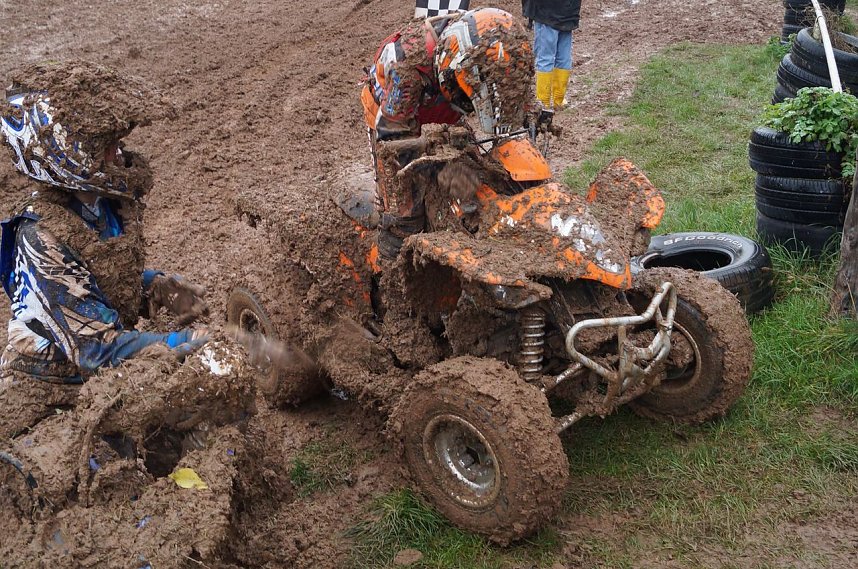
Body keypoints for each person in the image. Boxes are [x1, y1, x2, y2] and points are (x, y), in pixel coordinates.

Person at [0, 61, 210, 439]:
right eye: (106, 146)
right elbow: (95, 350)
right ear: (67, 151)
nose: (118, 155)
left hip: (96, 349)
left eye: (116, 143)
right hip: (51, 377)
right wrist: (184, 343)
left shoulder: (104, 202)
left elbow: (97, 276)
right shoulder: (40, 236)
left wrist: (153, 286)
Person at [360, 7, 534, 259]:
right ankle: (390, 266)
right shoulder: (408, 66)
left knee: (479, 179)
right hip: (392, 116)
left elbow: (515, 87)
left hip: (442, 105)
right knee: (405, 211)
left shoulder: (490, 48)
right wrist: (436, 169)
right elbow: (392, 137)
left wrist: (528, 112)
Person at [521, 0, 582, 111]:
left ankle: (543, 102)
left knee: (545, 58)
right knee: (564, 56)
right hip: (569, 11)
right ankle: (559, 100)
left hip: (546, 12)